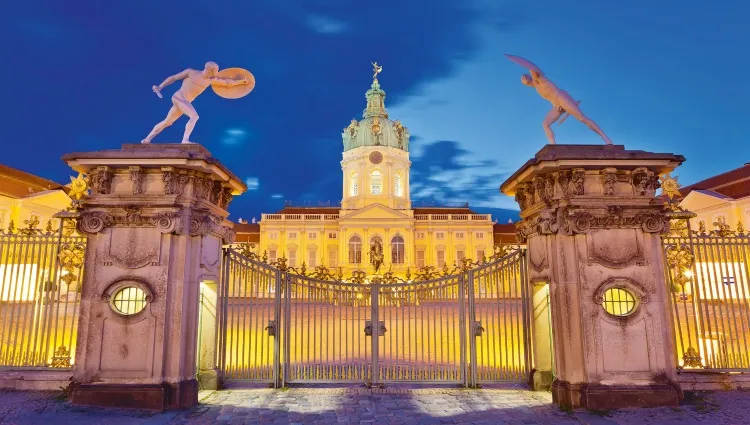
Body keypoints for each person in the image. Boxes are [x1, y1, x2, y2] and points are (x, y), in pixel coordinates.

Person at [142, 61, 249, 144]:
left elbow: (226, 83)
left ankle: (147, 139)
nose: (214, 74)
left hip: (184, 102)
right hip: (179, 97)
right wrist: (161, 86)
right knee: (194, 116)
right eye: (214, 71)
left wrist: (241, 81)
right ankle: (185, 140)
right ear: (209, 69)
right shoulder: (191, 72)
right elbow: (174, 78)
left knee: (167, 122)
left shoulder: (211, 80)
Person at [520, 69, 613, 145]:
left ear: (529, 77)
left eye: (526, 79)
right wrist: (555, 105)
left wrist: (528, 68)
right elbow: (550, 98)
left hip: (562, 98)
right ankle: (553, 146)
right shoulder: (537, 89)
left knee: (582, 118)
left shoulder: (540, 79)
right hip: (556, 104)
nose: (527, 82)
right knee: (545, 123)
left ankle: (606, 138)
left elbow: (532, 69)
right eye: (526, 82)